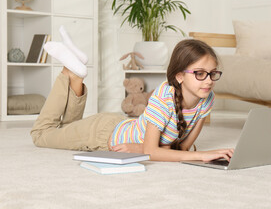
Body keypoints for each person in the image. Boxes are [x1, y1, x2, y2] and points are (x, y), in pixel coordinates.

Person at [30, 27, 234, 162]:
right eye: (199, 73)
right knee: (41, 135)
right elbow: (154, 151)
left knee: (66, 128)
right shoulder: (164, 98)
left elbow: (181, 149)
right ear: (179, 76)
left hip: (118, 125)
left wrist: (142, 148)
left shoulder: (207, 98)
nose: (208, 80)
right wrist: (202, 156)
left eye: (212, 73)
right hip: (101, 135)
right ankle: (68, 71)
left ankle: (73, 73)